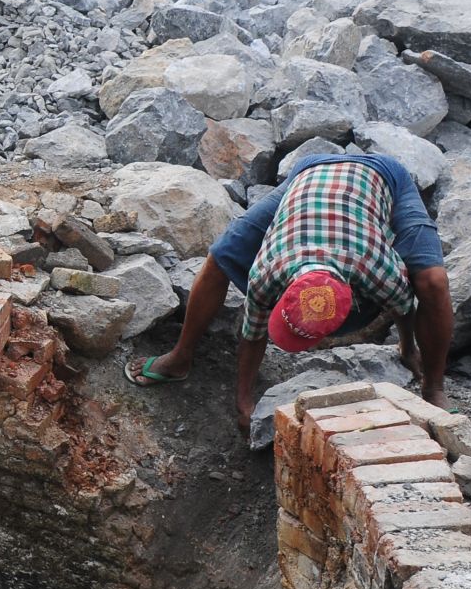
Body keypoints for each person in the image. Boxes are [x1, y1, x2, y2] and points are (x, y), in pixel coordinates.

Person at [124, 153, 453, 436]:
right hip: (309, 172)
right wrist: (245, 402)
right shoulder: (266, 273)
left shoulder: (377, 270)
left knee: (433, 280)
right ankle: (180, 357)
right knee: (221, 254)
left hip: (385, 177)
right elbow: (252, 334)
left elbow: (405, 307)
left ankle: (433, 386)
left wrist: (408, 348)